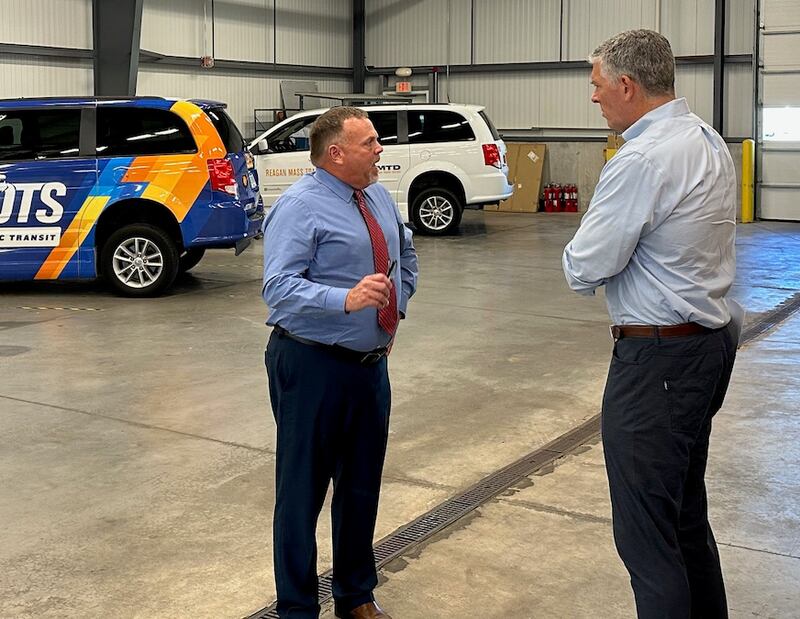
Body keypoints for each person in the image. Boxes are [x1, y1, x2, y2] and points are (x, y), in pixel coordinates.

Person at [562, 30, 738, 618]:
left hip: (658, 360)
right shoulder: (705, 139)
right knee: (684, 519)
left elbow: (585, 266)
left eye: (597, 85)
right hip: (705, 348)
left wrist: (587, 254)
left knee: (647, 539)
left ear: (627, 85)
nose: (594, 97)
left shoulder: (640, 159)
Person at [262, 106, 418, 619]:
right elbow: (278, 288)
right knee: (301, 493)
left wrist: (393, 313)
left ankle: (355, 595)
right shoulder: (299, 206)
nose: (380, 149)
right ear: (335, 153)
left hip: (370, 367)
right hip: (311, 364)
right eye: (369, 142)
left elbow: (404, 256)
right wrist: (344, 300)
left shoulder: (376, 196)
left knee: (360, 486)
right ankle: (297, 608)